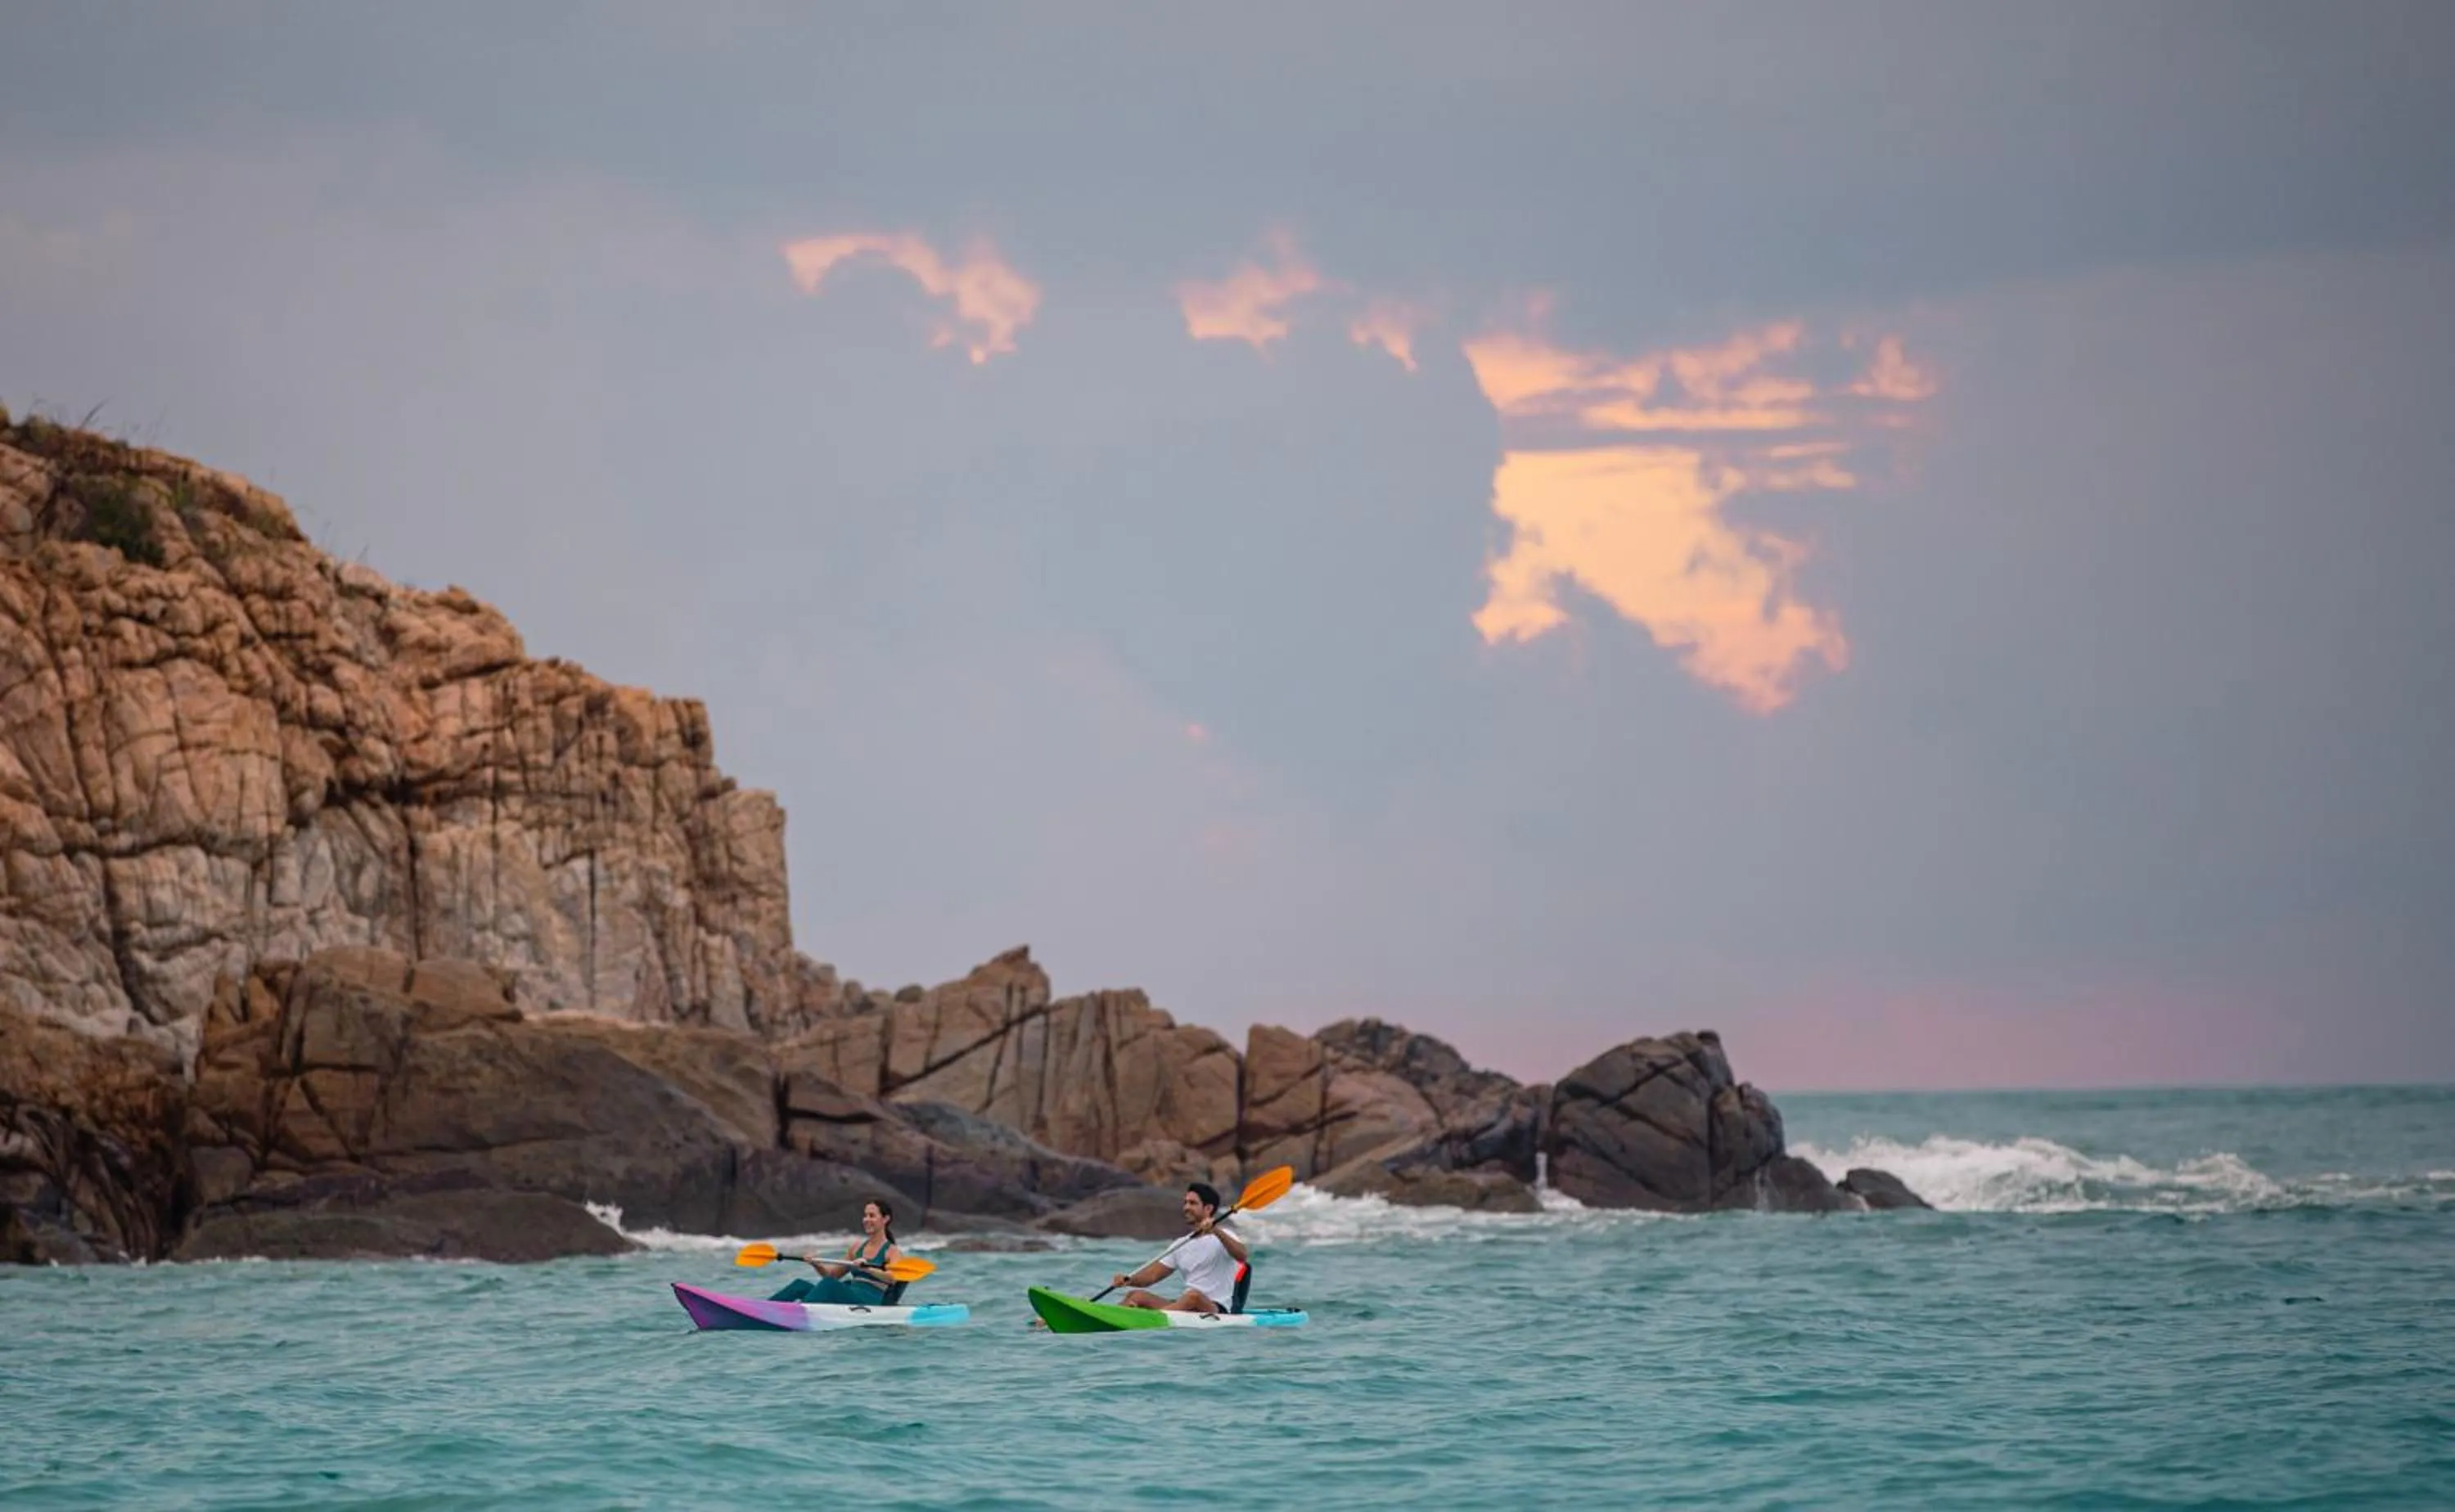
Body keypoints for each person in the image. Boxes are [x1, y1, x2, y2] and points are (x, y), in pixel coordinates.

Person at [1111, 1182, 1249, 1314]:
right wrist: (1128, 1280)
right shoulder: (1181, 1243)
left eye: (1193, 1203)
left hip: (1216, 1308)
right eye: (1186, 1202)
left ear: (1208, 1209)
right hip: (1185, 1305)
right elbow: (1152, 1276)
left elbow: (1242, 1256)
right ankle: (1111, 1315)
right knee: (1136, 1295)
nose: (1186, 1207)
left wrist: (1216, 1231)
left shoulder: (1225, 1236)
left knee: (1193, 1296)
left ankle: (1153, 1318)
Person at [768, 1199, 903, 1305]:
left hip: (867, 1303)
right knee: (800, 1286)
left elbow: (893, 1278)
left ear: (885, 1219)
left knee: (829, 1285)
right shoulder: (856, 1248)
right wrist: (817, 1264)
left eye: (872, 1216)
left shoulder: (892, 1251)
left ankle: (800, 1313)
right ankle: (764, 1309)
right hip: (849, 1295)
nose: (866, 1220)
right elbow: (832, 1276)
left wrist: (868, 1269)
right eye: (865, 1215)